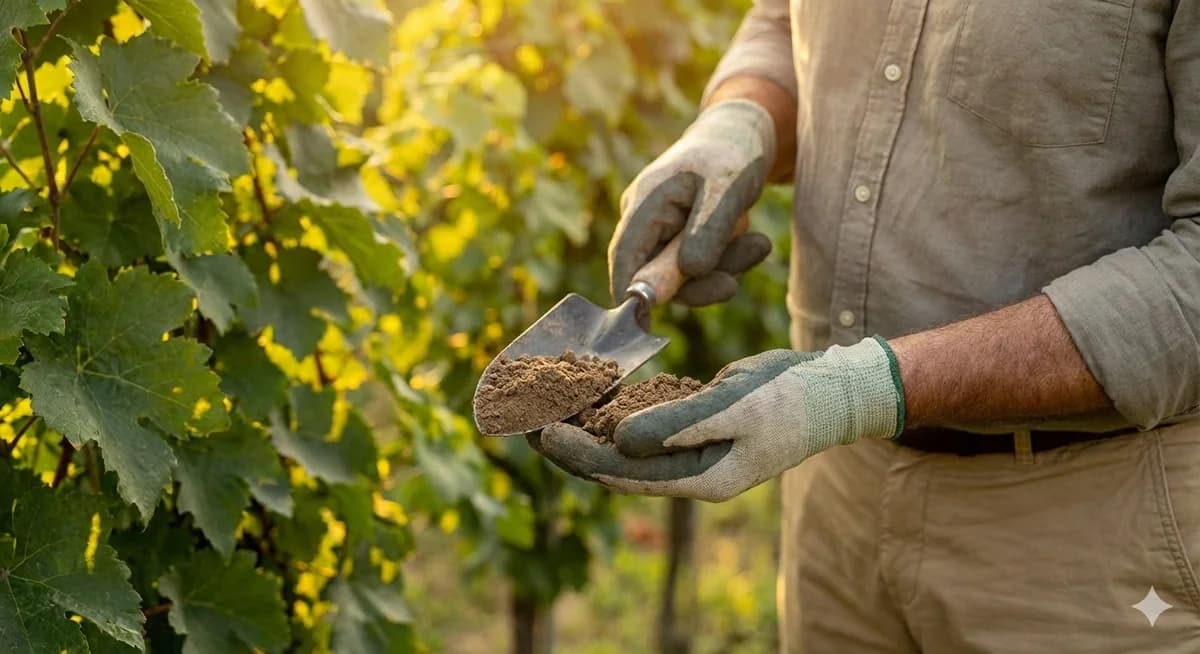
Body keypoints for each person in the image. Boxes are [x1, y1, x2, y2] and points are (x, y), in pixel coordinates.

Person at [528, 2, 1200, 652]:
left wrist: (861, 391)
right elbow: (783, 24)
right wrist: (740, 118)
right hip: (836, 495)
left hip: (1085, 534)